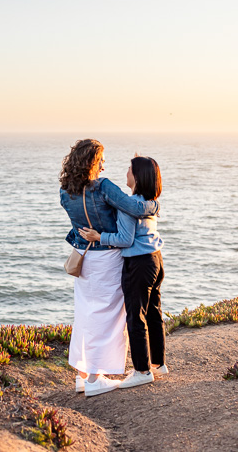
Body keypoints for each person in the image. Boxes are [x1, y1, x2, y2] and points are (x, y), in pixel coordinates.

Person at [59, 139, 159, 397]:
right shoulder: (103, 187)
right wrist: (155, 206)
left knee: (85, 313)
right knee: (108, 316)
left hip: (84, 259)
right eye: (101, 159)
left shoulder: (64, 192)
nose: (104, 164)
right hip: (107, 257)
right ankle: (95, 378)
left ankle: (82, 377)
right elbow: (135, 207)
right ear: (92, 161)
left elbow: (76, 225)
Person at [80, 155, 166, 390]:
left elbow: (125, 240)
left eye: (129, 169)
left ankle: (142, 371)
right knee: (153, 312)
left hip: (138, 263)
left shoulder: (130, 205)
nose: (126, 172)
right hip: (155, 260)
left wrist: (99, 237)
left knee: (135, 316)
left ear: (137, 176)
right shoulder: (149, 202)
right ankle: (158, 363)